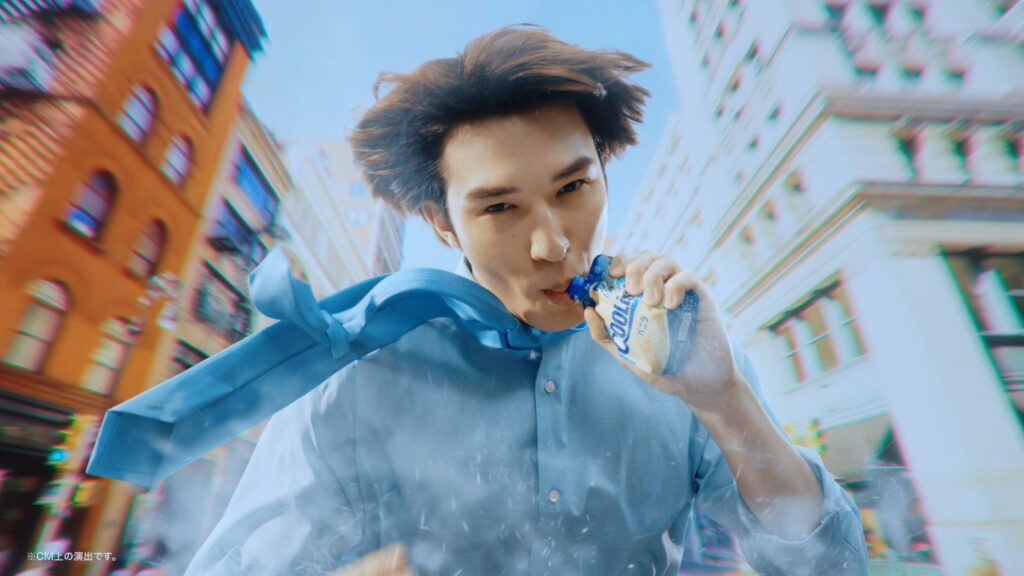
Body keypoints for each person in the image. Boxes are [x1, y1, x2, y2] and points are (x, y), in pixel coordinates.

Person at [185, 25, 868, 575]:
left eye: (573, 188)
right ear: (443, 224)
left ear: (605, 175)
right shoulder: (353, 380)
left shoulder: (685, 360)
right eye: (500, 207)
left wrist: (725, 402)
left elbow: (830, 566)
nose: (552, 244)